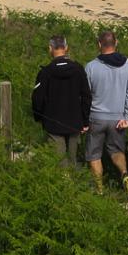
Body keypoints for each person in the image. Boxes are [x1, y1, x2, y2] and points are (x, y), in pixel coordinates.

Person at [84, 30, 128, 194]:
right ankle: (125, 174)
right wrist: (127, 116)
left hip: (96, 117)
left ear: (99, 44)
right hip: (118, 118)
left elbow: (86, 95)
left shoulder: (91, 66)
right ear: (116, 43)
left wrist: (84, 119)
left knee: (94, 154)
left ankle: (99, 188)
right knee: (116, 150)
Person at [31, 35, 91, 164]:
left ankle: (63, 181)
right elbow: (86, 96)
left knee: (59, 161)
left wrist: (38, 117)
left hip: (53, 123)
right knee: (73, 160)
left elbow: (37, 98)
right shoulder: (78, 69)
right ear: (66, 48)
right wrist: (85, 121)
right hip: (75, 122)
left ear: (50, 48)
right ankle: (74, 180)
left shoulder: (45, 72)